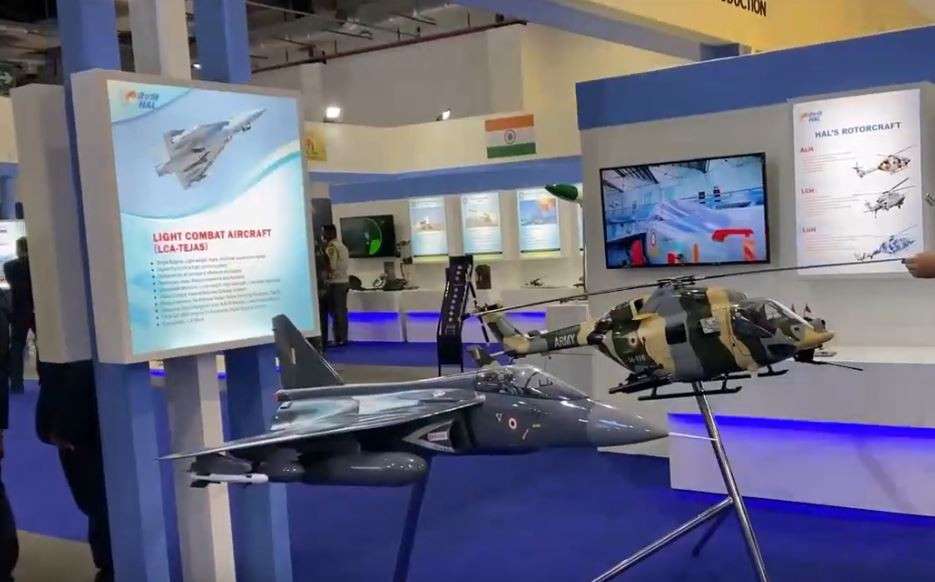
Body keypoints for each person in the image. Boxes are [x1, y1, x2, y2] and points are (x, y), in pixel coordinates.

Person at [36, 360, 111, 581]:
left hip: (89, 422)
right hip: (81, 426)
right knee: (100, 504)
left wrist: (55, 427)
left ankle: (111, 565)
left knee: (102, 503)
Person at [3, 237, 33, 394]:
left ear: (18, 249)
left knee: (16, 346)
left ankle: (16, 383)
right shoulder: (36, 265)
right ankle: (46, 379)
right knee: (43, 345)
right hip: (37, 310)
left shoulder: (9, 266)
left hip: (18, 310)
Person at [322, 224, 350, 346]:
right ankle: (341, 338)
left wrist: (324, 274)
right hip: (343, 281)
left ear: (330, 233)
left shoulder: (332, 247)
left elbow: (331, 266)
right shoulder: (342, 245)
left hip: (335, 283)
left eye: (324, 233)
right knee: (341, 311)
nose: (323, 236)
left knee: (337, 312)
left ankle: (339, 338)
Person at [313, 236, 330, 352]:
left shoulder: (314, 252)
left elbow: (324, 270)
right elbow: (327, 268)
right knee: (322, 317)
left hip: (318, 289)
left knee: (320, 318)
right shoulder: (322, 250)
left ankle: (319, 344)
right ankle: (322, 343)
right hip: (322, 288)